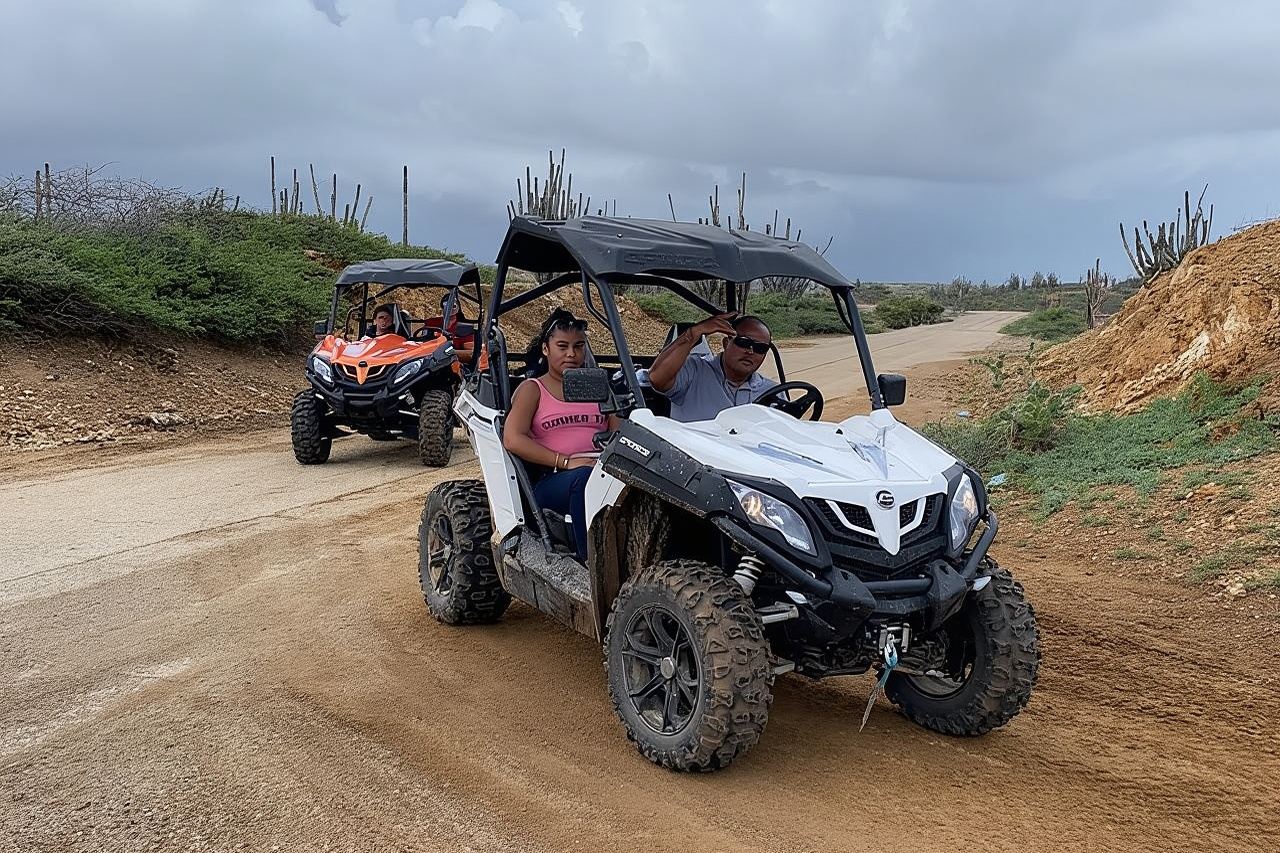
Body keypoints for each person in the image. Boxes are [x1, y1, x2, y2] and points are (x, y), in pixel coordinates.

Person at [503, 310, 617, 560]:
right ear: (546, 349)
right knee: (585, 479)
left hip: (602, 469)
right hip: (554, 478)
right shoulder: (533, 389)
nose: (571, 354)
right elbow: (512, 438)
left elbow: (619, 431)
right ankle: (590, 561)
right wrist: (565, 461)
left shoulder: (599, 388)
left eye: (578, 346)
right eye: (562, 346)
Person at [647, 312, 777, 422]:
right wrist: (694, 333)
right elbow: (656, 377)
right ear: (726, 343)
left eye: (760, 348)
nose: (750, 351)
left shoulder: (772, 392)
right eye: (743, 342)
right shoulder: (694, 371)